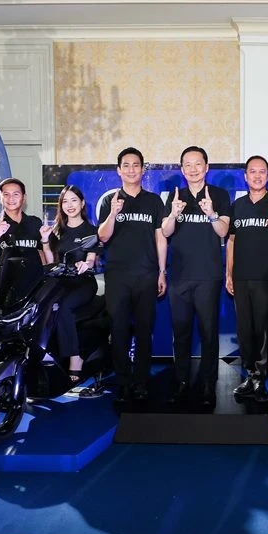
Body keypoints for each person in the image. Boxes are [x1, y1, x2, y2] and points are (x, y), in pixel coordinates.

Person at [160, 145, 232, 406]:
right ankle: (181, 381)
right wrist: (173, 214)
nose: (193, 169)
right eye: (187, 165)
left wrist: (211, 214)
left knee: (209, 333)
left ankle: (208, 384)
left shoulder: (219, 195)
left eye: (197, 163)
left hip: (208, 276)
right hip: (179, 276)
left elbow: (223, 231)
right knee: (180, 332)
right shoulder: (175, 196)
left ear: (206, 167)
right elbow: (165, 232)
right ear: (182, 169)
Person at [98, 147, 167, 402]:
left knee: (144, 330)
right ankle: (123, 381)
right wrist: (113, 213)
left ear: (142, 169)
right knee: (118, 331)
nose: (131, 169)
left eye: (135, 165)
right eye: (125, 165)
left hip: (147, 274)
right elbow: (103, 236)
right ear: (118, 170)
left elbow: (161, 238)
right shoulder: (110, 200)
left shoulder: (154, 201)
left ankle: (141, 380)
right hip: (117, 276)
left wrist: (161, 271)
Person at [225, 155, 268, 402]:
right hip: (241, 277)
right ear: (245, 176)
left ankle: (261, 378)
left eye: (262, 171)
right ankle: (250, 374)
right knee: (245, 330)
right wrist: (229, 273)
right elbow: (231, 241)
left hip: (267, 277)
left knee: (264, 328)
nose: (257, 175)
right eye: (252, 171)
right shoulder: (237, 206)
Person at [41, 185, 99, 383]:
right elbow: (51, 262)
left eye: (74, 200)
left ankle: (75, 358)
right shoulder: (57, 230)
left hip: (83, 282)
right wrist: (45, 241)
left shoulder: (91, 230)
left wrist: (85, 264)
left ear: (82, 203)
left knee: (64, 306)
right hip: (60, 283)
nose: (70, 205)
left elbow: (91, 259)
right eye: (65, 201)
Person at [0, 177, 46, 297]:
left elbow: (42, 254)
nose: (11, 198)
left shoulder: (35, 222)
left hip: (32, 289)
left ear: (24, 197)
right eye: (6, 194)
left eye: (16, 194)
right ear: (0, 197)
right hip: (2, 290)